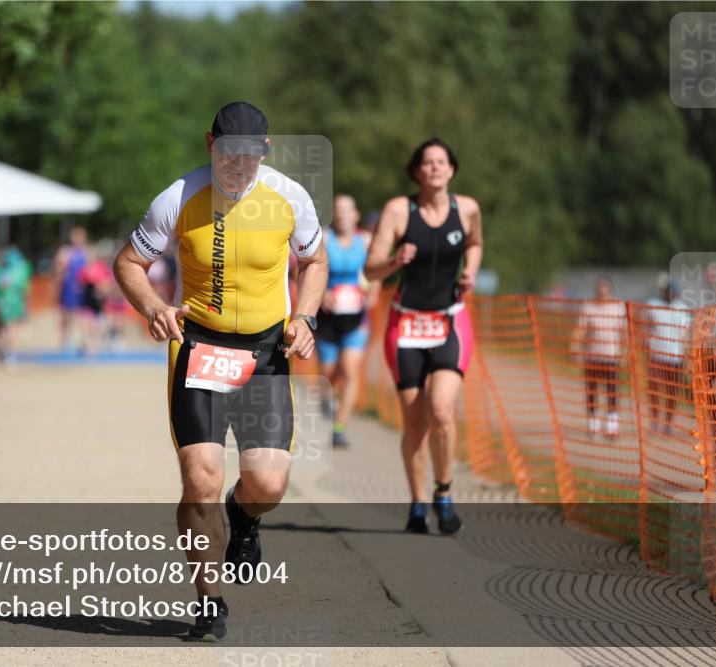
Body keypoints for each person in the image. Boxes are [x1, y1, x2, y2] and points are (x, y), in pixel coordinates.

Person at [113, 102, 327, 641]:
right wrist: (154, 307)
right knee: (200, 478)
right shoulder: (179, 197)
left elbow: (315, 261)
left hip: (265, 352)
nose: (239, 164)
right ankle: (209, 601)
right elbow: (129, 263)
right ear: (211, 144)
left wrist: (305, 316)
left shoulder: (290, 197)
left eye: (250, 156)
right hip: (199, 348)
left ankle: (245, 515)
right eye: (229, 153)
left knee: (268, 483)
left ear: (266, 152)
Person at [364, 138, 482, 535]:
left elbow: (475, 243)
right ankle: (417, 504)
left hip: (449, 321)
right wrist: (395, 261)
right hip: (406, 326)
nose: (435, 168)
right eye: (427, 163)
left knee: (443, 410)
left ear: (452, 169)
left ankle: (443, 494)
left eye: (441, 162)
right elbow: (370, 270)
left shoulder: (467, 209)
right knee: (415, 423)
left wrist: (470, 272)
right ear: (416, 171)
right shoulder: (399, 210)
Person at [316, 194, 379, 447]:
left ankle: (339, 428)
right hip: (328, 316)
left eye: (347, 209)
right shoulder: (324, 239)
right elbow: (309, 269)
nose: (342, 214)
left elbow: (376, 272)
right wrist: (322, 294)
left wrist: (372, 294)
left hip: (356, 317)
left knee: (350, 370)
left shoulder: (366, 241)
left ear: (356, 215)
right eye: (338, 209)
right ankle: (326, 397)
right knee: (329, 372)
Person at [571, 277, 627, 438]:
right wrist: (575, 347)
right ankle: (593, 424)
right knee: (592, 391)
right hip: (592, 357)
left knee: (612, 391)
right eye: (599, 289)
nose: (602, 292)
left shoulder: (618, 307)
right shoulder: (588, 306)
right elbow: (580, 329)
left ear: (609, 290)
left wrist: (625, 353)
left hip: (611, 356)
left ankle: (611, 426)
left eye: (605, 289)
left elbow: (624, 332)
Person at [643, 275, 691, 435]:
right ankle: (654, 421)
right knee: (654, 390)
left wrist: (687, 358)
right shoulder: (653, 305)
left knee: (672, 393)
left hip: (675, 358)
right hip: (656, 356)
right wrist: (645, 346)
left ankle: (668, 422)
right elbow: (646, 328)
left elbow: (685, 336)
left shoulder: (682, 309)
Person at [53, 226, 90, 349]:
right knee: (66, 314)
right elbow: (58, 269)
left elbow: (91, 269)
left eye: (80, 236)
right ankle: (65, 340)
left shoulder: (86, 251)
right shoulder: (66, 251)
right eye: (75, 236)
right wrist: (58, 285)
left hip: (82, 288)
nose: (77, 239)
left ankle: (81, 340)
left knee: (82, 315)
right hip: (68, 287)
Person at [0, 246, 32, 363]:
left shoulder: (5, 271)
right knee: (13, 328)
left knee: (7, 328)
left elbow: (1, 286)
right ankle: (10, 352)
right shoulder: (21, 271)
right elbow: (26, 290)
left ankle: (7, 352)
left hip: (6, 303)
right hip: (17, 302)